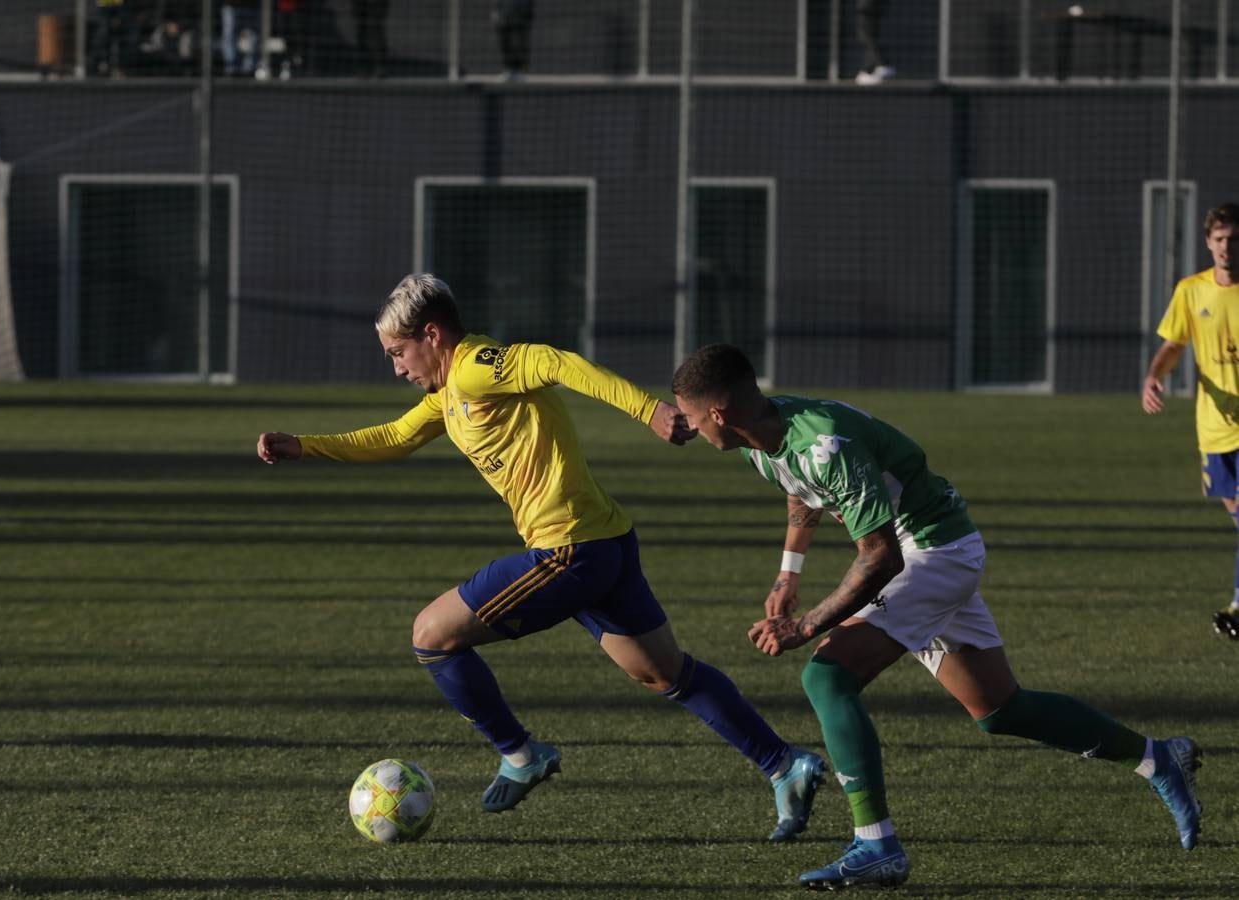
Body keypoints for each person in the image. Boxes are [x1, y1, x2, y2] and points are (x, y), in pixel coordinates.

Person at [256, 274, 825, 838]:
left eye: (398, 353)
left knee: (431, 635)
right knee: (663, 673)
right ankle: (784, 765)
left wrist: (647, 409)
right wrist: (306, 445)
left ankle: (520, 754)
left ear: (432, 335)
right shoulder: (449, 394)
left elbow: (558, 362)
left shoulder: (479, 366)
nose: (398, 368)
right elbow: (391, 437)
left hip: (569, 549)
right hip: (606, 542)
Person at [671, 343, 1203, 889]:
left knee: (826, 676)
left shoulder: (824, 441)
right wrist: (789, 574)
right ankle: (1158, 758)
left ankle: (876, 845)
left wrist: (807, 626)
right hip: (927, 552)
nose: (686, 428)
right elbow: (800, 490)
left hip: (933, 551)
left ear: (718, 413)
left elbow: (881, 556)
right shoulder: (758, 437)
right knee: (1000, 710)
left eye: (688, 415)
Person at [1143, 202, 1239, 641]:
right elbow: (1174, 344)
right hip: (1214, 431)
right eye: (1220, 239)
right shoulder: (1192, 290)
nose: (1227, 247)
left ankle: (1238, 604)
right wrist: (1154, 376)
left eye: (1234, 239)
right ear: (1208, 242)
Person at [854, 0, 895, 85]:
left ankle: (882, 64)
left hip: (869, 7)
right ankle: (868, 70)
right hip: (871, 7)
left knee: (866, 36)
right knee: (868, 36)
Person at [492, 0, 534, 79]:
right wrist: (496, 13)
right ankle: (509, 70)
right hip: (504, 18)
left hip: (519, 17)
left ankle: (518, 70)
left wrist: (525, 14)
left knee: (518, 44)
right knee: (505, 43)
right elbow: (497, 3)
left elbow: (528, 4)